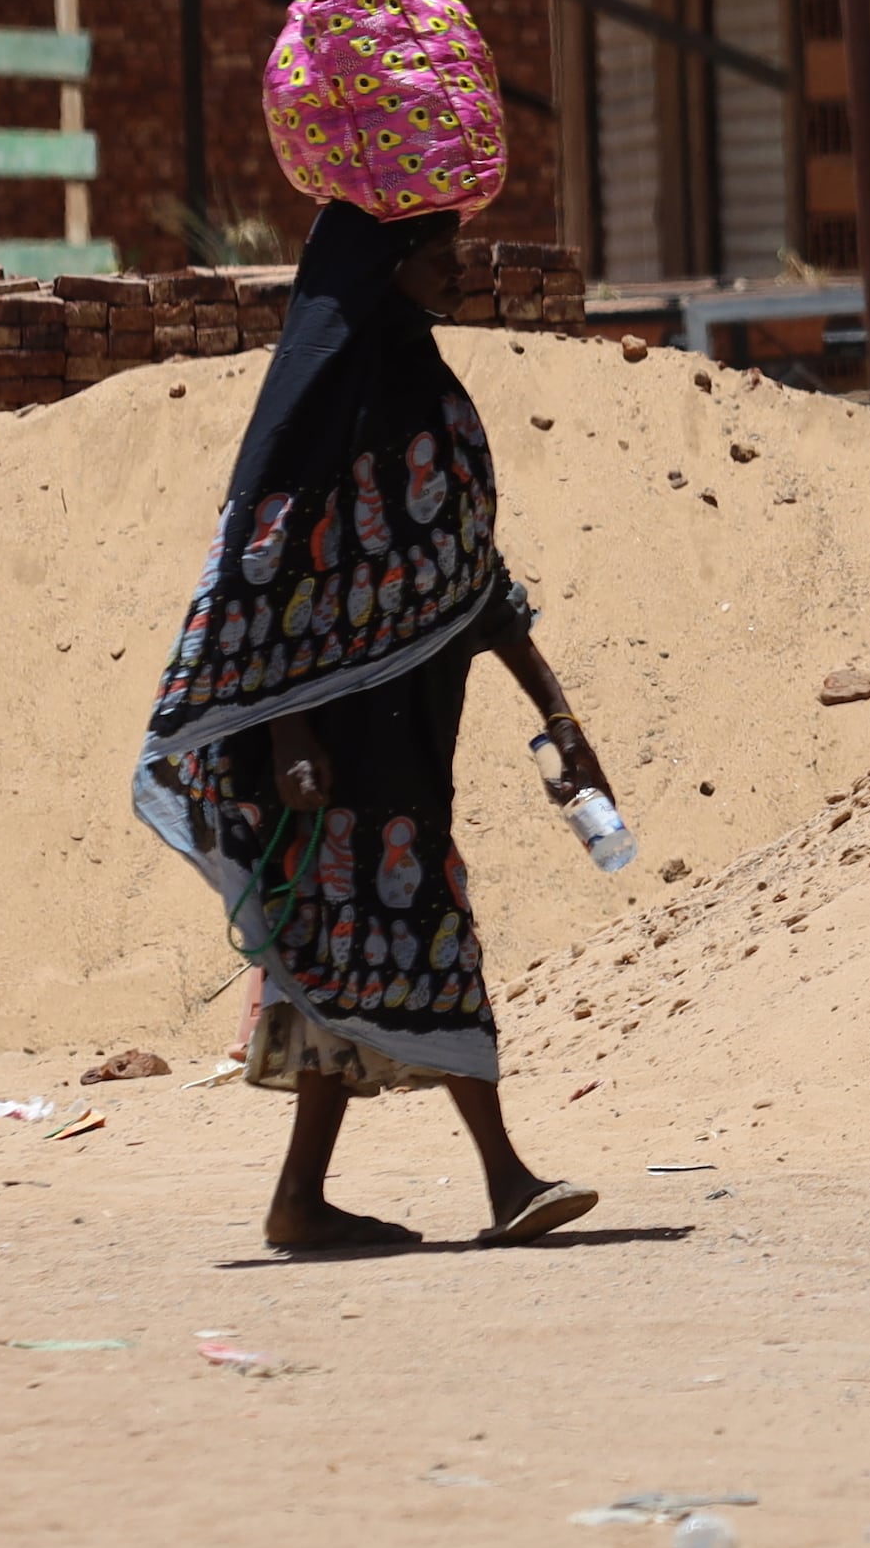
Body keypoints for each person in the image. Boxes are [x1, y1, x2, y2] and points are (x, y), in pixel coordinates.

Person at [132, 201, 611, 1251]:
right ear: (389, 265)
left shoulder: (428, 390)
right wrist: (292, 727)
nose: (458, 265)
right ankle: (504, 1175)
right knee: (415, 924)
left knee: (342, 962)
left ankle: (302, 1199)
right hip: (331, 746)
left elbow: (473, 572)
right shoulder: (325, 410)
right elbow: (267, 572)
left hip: (410, 728)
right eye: (436, 252)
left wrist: (559, 715)